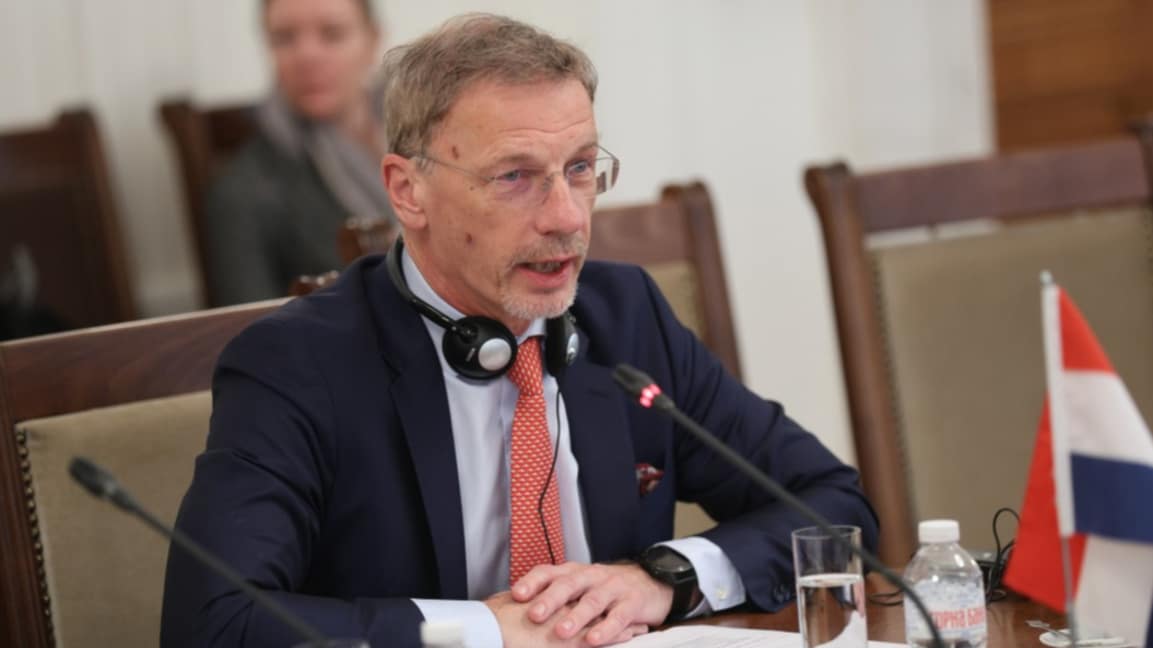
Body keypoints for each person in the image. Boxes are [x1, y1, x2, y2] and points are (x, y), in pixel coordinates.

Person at [161, 13, 878, 648]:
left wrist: (664, 577)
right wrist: (485, 632)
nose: (566, 217)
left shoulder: (624, 316)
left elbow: (831, 506)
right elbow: (214, 623)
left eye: (580, 168)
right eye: (514, 176)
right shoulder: (297, 363)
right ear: (408, 191)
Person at [203, 0, 396, 306]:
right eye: (284, 38)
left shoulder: (427, 135)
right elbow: (249, 323)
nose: (307, 56)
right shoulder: (241, 194)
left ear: (372, 41)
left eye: (331, 33)